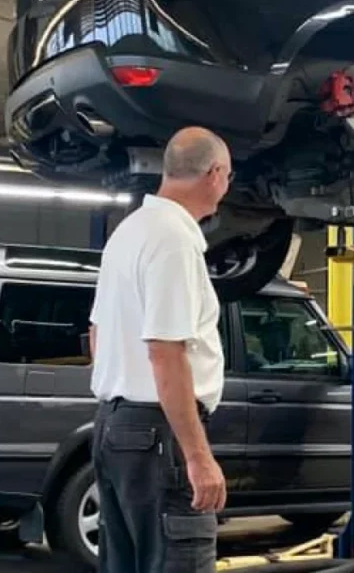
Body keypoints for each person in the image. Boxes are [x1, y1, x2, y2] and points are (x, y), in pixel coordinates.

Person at [88, 125, 233, 573]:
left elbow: (96, 333)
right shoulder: (173, 239)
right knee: (178, 561)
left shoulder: (130, 231)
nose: (227, 187)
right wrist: (197, 456)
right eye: (228, 176)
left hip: (115, 426)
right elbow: (165, 352)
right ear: (214, 174)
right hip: (156, 434)